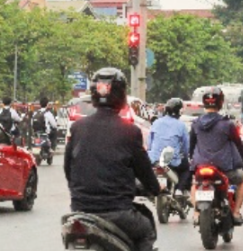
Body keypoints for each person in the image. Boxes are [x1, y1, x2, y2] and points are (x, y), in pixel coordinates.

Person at [65, 68, 160, 251]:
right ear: (122, 95)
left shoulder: (78, 127)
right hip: (117, 213)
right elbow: (145, 172)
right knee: (146, 229)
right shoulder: (130, 131)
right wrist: (155, 188)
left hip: (79, 210)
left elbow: (69, 170)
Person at [190, 86, 243, 226]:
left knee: (194, 184)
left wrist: (192, 161)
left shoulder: (196, 123)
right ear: (221, 103)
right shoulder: (227, 124)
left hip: (200, 166)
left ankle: (196, 213)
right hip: (223, 168)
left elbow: (191, 147)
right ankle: (235, 212)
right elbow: (239, 145)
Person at [147, 98, 191, 197]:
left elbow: (149, 142)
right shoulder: (181, 125)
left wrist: (151, 153)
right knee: (187, 168)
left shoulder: (156, 122)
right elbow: (186, 147)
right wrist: (185, 155)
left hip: (154, 159)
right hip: (171, 160)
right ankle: (179, 189)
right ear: (179, 111)